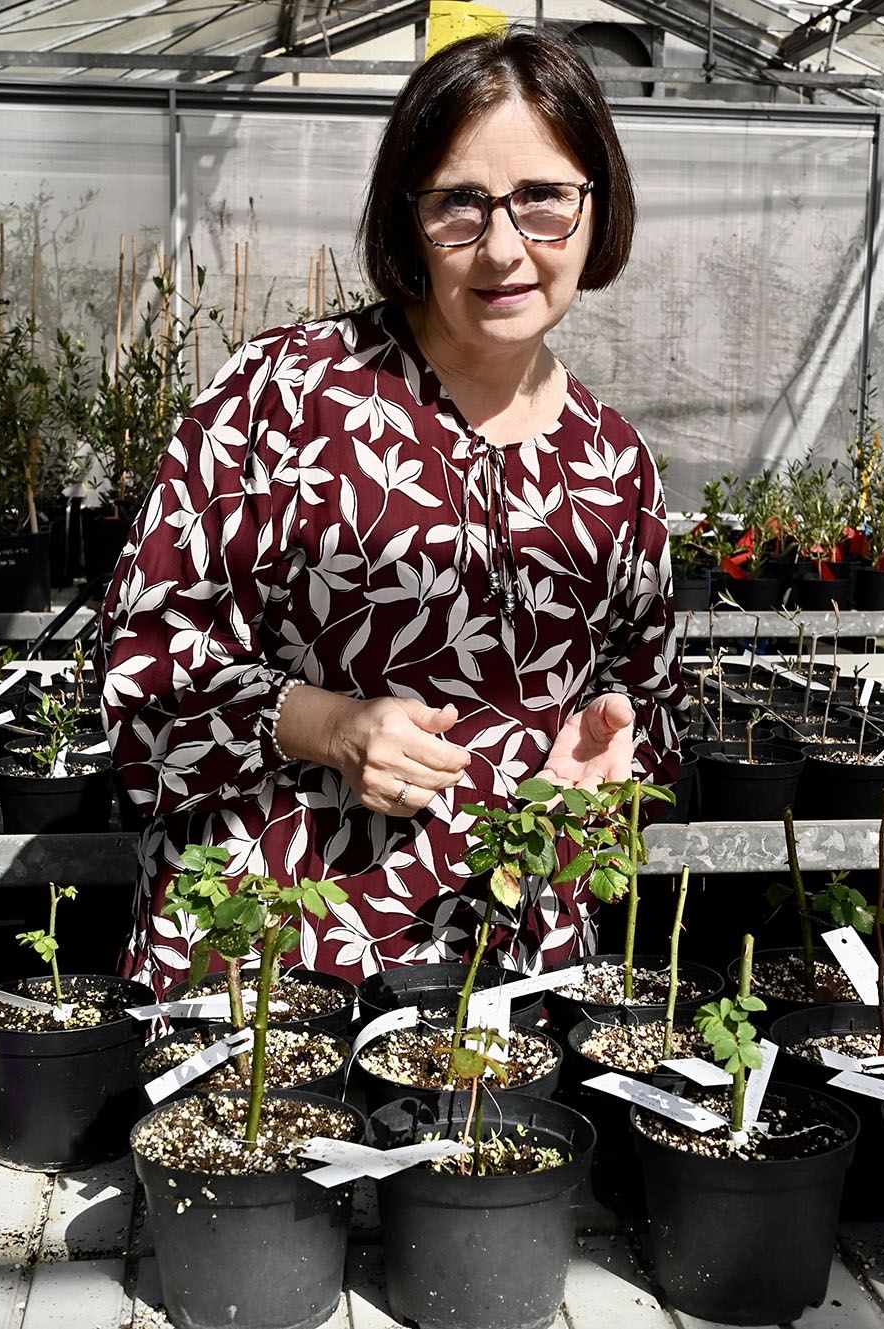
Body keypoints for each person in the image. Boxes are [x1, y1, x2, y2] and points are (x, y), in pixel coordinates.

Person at [99, 27, 682, 994]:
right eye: (460, 203)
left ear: (597, 205)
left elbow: (654, 706)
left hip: (507, 978)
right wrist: (326, 724)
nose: (504, 247)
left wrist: (617, 745)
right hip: (280, 959)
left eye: (543, 198)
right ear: (409, 218)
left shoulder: (613, 459)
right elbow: (138, 669)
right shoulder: (291, 397)